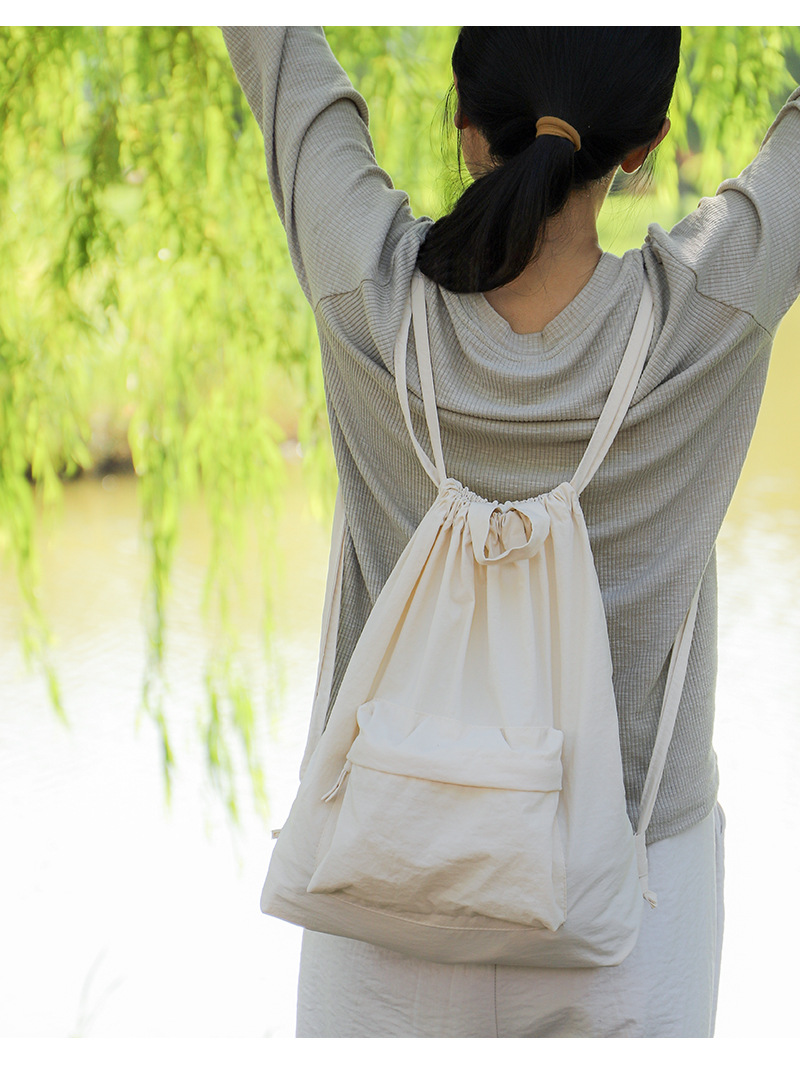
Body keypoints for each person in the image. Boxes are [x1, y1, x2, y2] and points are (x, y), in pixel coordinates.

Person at [222, 26, 800, 1037]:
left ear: (464, 124)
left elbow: (274, 45)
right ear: (645, 146)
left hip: (383, 871)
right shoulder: (709, 308)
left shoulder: (369, 287)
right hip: (632, 900)